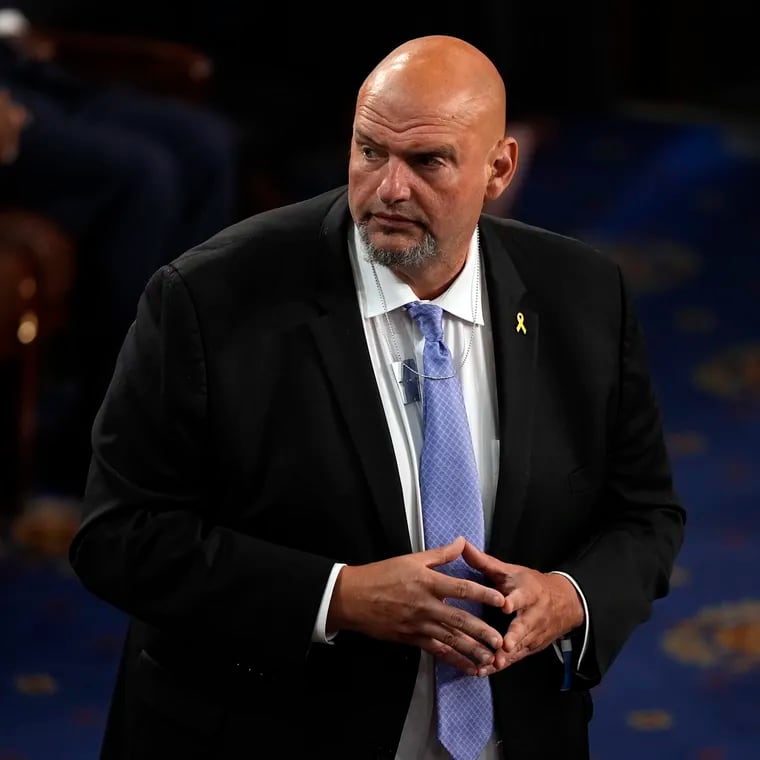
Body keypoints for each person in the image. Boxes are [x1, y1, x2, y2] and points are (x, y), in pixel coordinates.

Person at [68, 35, 686, 760]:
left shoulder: (584, 296)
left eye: (427, 162)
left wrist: (569, 598)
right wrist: (338, 597)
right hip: (272, 730)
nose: (390, 188)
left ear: (499, 169)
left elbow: (645, 515)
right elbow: (119, 536)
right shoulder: (209, 301)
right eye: (370, 152)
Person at [0, 15, 239, 497]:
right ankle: (109, 435)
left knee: (208, 145)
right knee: (144, 176)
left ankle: (187, 405)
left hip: (23, 64)